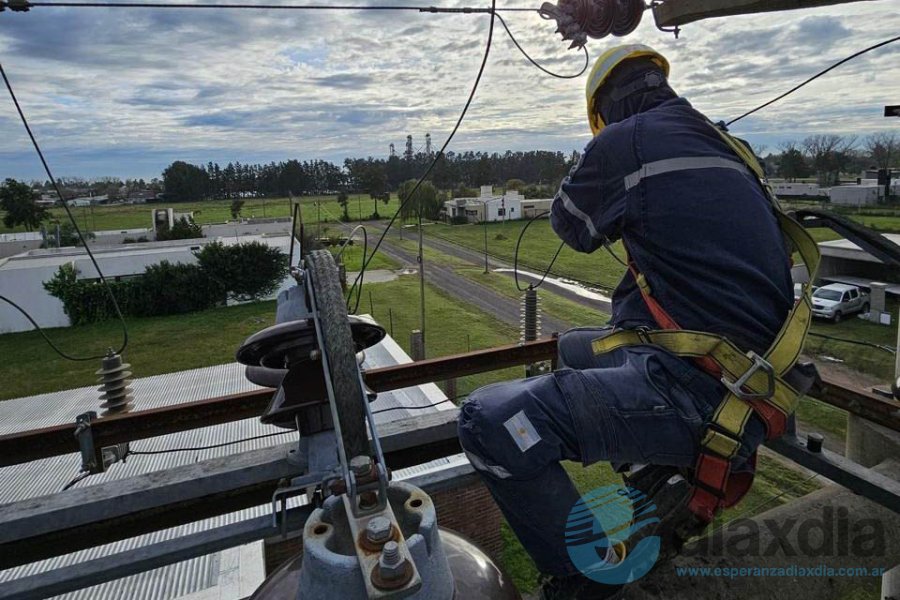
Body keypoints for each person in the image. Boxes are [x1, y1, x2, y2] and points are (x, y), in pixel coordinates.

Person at [457, 44, 817, 599]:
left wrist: (594, 159)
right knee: (576, 347)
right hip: (757, 379)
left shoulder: (622, 142)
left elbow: (571, 227)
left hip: (699, 394)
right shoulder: (727, 143)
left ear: (600, 114)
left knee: (489, 419)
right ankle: (658, 476)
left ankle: (585, 580)